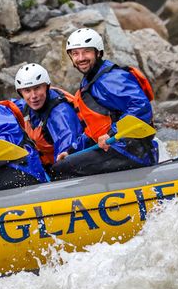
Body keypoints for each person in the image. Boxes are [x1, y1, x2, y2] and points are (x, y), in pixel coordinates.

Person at [51, 28, 158, 178]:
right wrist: (71, 151)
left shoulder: (111, 78)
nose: (81, 58)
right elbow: (92, 131)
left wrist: (112, 133)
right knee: (63, 163)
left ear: (98, 53)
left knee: (61, 169)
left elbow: (141, 106)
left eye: (86, 52)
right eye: (75, 53)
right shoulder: (90, 81)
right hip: (117, 149)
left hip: (130, 150)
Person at [12, 63, 87, 174]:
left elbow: (67, 142)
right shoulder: (26, 106)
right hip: (44, 164)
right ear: (21, 93)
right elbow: (8, 107)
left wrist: (64, 155)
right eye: (27, 90)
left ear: (47, 87)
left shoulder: (60, 113)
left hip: (68, 167)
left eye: (37, 88)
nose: (33, 96)